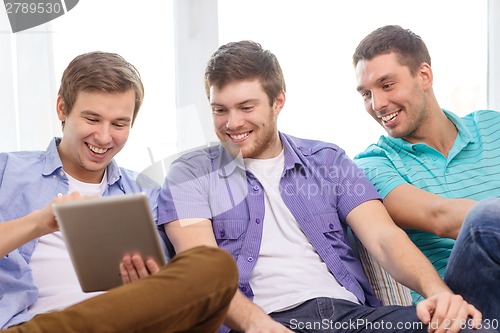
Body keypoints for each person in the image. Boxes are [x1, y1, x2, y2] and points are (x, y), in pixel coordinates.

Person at [157, 40, 496, 333]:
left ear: (278, 102)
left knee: (467, 325)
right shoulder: (190, 174)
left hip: (357, 318)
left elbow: (384, 238)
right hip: (266, 321)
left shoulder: (328, 160)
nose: (233, 123)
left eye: (246, 107)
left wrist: (439, 294)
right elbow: (201, 268)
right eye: (220, 110)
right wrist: (258, 325)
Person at [0, 51, 238, 333]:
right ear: (62, 109)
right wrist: (39, 222)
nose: (103, 137)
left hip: (128, 320)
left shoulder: (147, 194)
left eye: (119, 124)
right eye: (92, 119)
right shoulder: (7, 170)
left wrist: (150, 285)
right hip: (37, 324)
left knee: (213, 267)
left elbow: (180, 284)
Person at [352, 25, 500, 319]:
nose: (377, 104)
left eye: (387, 85)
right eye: (366, 93)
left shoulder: (491, 125)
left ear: (424, 76)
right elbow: (440, 218)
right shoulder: (373, 164)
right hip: (463, 306)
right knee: (482, 220)